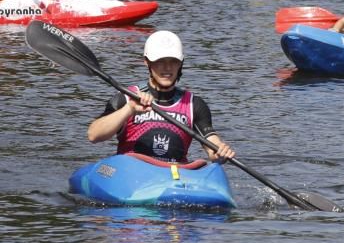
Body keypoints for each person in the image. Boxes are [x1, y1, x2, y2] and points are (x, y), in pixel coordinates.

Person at [86, 31, 235, 164]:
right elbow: (94, 135)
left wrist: (219, 151)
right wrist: (129, 109)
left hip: (174, 175)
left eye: (173, 62)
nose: (167, 68)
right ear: (147, 62)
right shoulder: (125, 98)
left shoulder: (193, 104)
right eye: (160, 61)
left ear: (181, 63)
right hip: (131, 172)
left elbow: (211, 144)